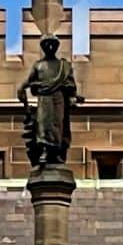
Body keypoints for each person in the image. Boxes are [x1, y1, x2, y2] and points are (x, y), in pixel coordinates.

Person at [17, 34, 78, 167]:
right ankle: (44, 150)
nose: (49, 46)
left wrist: (69, 91)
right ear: (43, 47)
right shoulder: (38, 66)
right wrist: (21, 88)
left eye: (52, 44)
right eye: (46, 44)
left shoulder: (64, 66)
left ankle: (56, 152)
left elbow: (72, 85)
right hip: (44, 100)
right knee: (43, 125)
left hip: (58, 100)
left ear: (56, 46)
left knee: (58, 125)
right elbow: (29, 82)